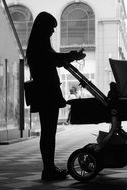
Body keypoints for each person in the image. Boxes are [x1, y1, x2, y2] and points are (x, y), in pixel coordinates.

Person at [26, 11, 85, 181]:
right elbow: (55, 59)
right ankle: (48, 169)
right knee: (48, 132)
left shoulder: (37, 46)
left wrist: (71, 56)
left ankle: (49, 168)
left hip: (45, 92)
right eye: (51, 28)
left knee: (48, 132)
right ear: (43, 28)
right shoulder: (40, 47)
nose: (52, 31)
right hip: (47, 93)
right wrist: (73, 55)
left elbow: (54, 59)